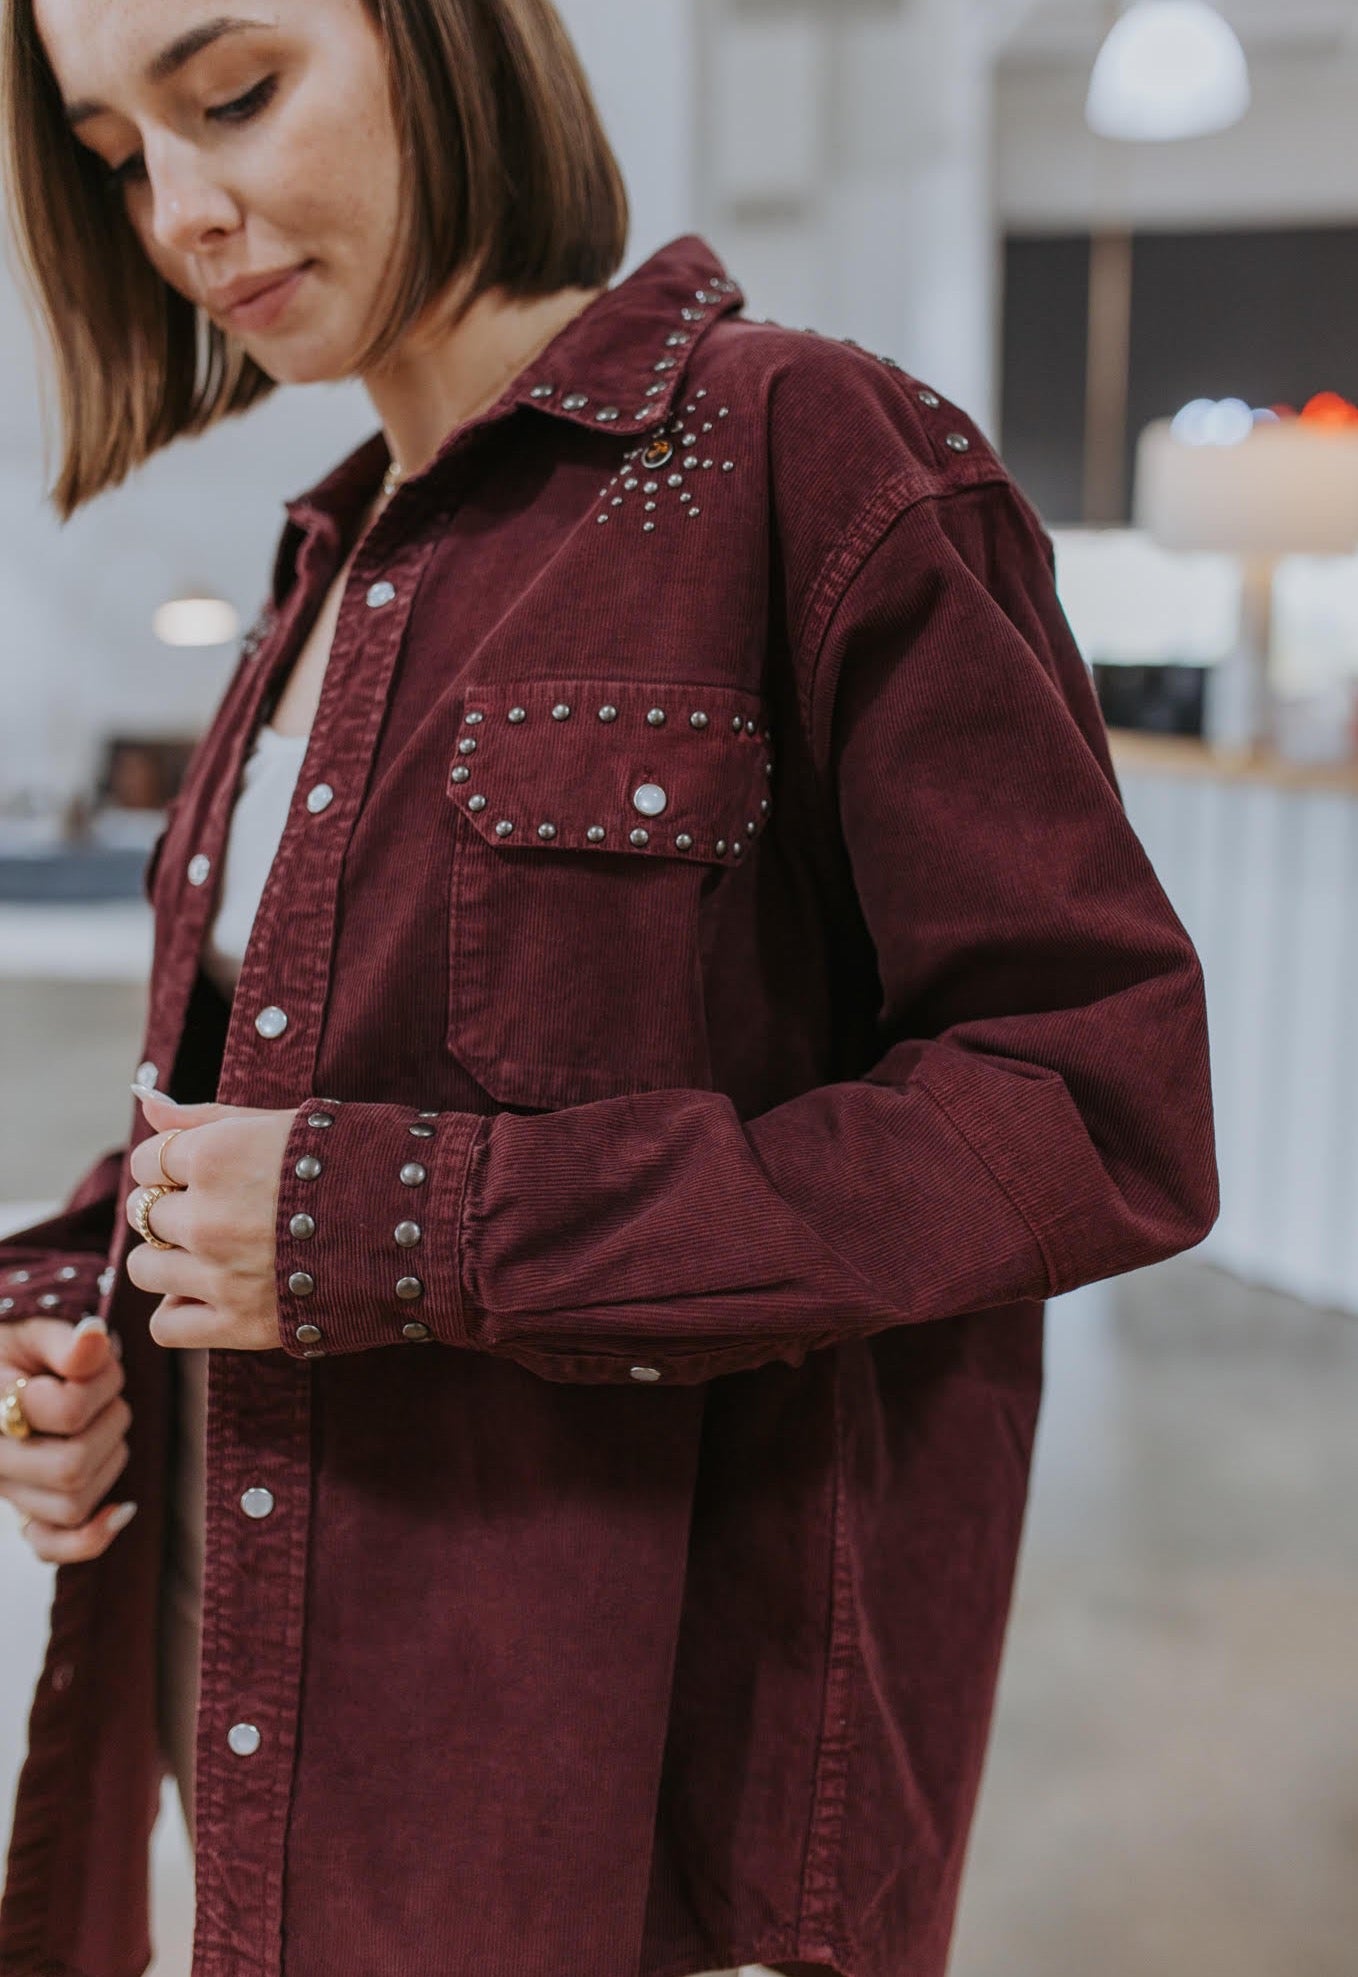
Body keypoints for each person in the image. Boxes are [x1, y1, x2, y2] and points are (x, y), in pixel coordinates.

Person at [0, 2, 1220, 1974]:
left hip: (616, 1811)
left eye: (233, 94)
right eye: (120, 154)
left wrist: (397, 1223)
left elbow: (1089, 1106)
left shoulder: (809, 457)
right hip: (262, 1717)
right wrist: (72, 1312)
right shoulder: (325, 563)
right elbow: (275, 1091)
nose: (187, 210)